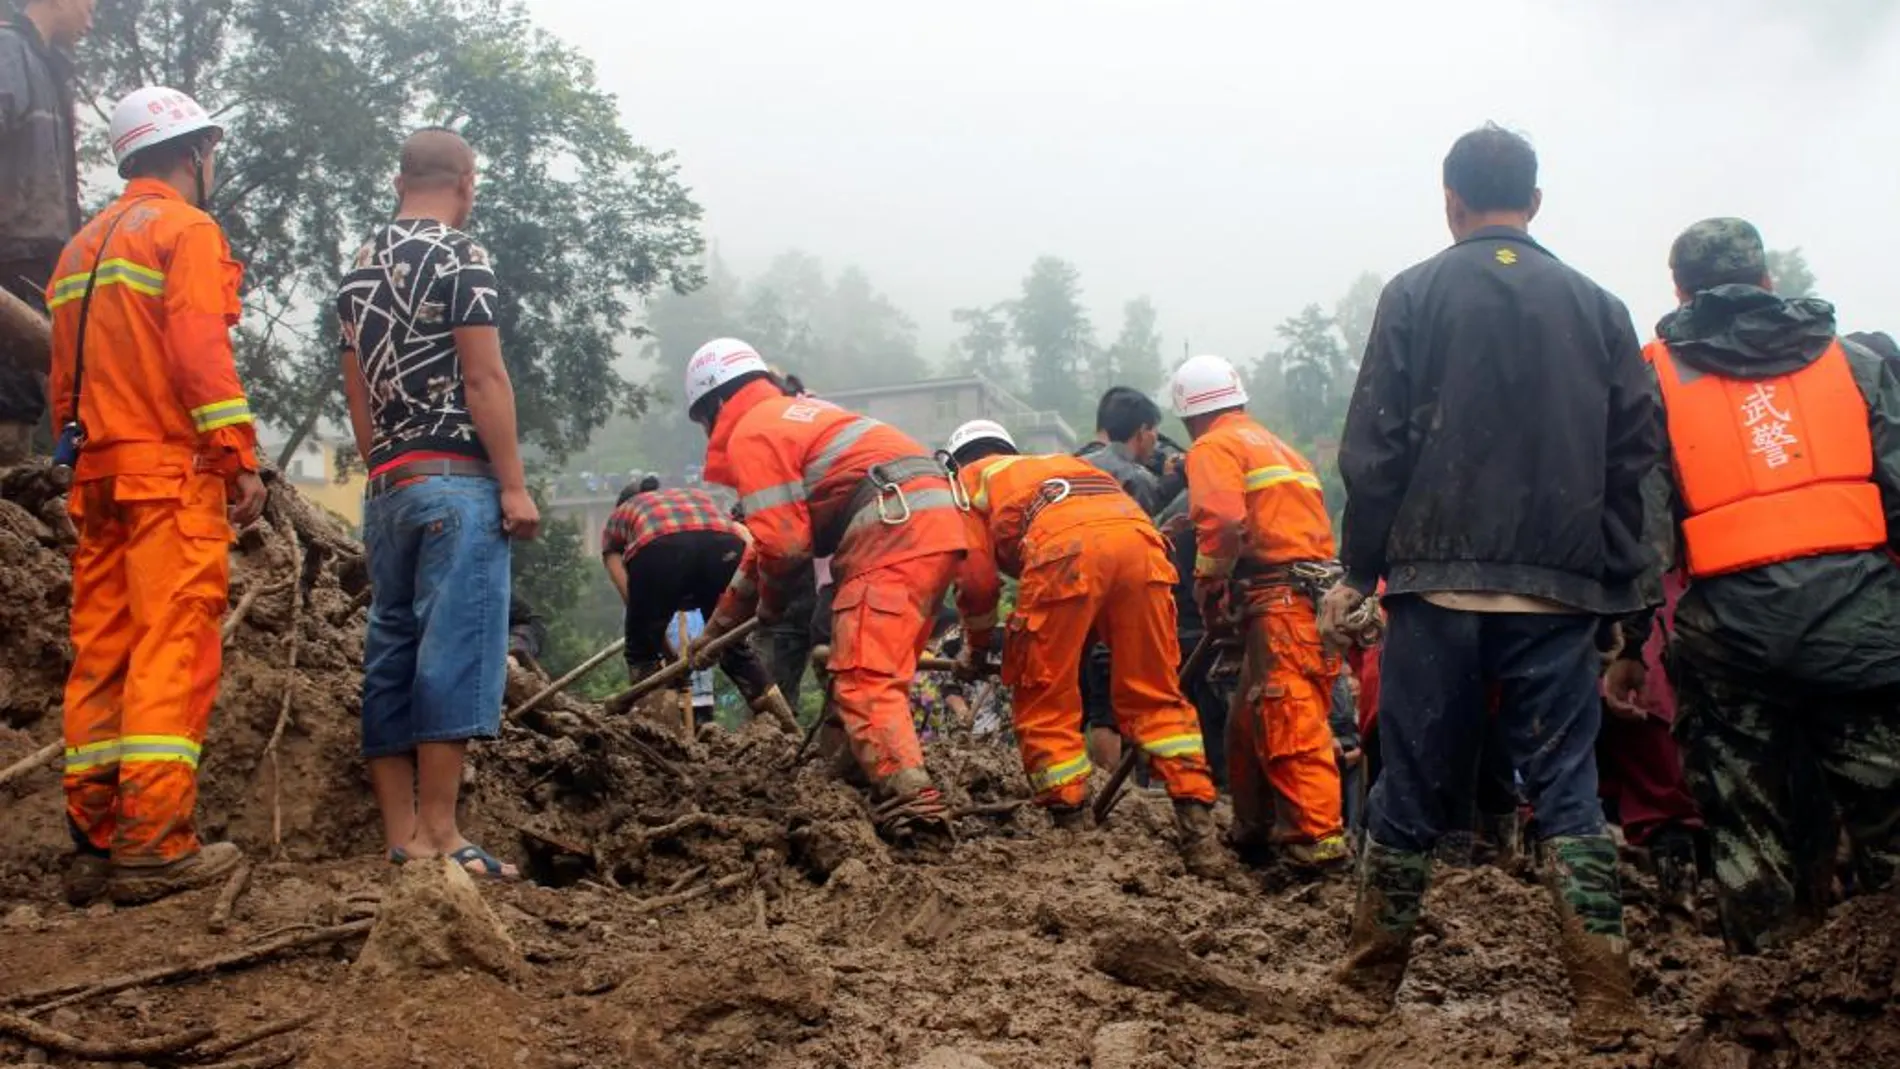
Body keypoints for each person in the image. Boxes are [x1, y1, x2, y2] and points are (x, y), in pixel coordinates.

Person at [1327, 123, 1657, 1046]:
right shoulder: (1598, 306)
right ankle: (1605, 995)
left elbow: (1376, 449)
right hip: (1559, 592)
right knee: (1566, 786)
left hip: (1434, 587)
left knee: (1409, 786)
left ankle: (1364, 984)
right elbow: (1634, 456)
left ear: (1450, 200)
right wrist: (1620, 596)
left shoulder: (1416, 293)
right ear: (1537, 202)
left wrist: (1362, 570)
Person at [1631, 217, 1900, 954]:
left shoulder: (1653, 375)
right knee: (1890, 819)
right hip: (1866, 628)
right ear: (1769, 282)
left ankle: (1766, 1004)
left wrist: (1626, 642)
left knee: (1748, 832)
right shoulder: (1860, 360)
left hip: (1733, 645)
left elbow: (1645, 534)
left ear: (1681, 292)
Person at [50, 86, 262, 906]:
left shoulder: (80, 247)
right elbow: (200, 349)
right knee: (173, 642)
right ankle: (155, 840)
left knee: (102, 648)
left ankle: (94, 841)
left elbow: (64, 379)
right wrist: (236, 453)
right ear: (193, 153)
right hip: (167, 475)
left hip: (97, 474)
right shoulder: (187, 229)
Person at [337, 127, 537, 880]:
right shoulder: (462, 256)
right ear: (467, 183)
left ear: (399, 181)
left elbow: (356, 391)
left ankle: (400, 837)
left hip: (390, 484)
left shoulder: (358, 268)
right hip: (455, 477)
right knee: (454, 646)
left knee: (390, 649)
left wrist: (384, 467)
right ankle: (442, 833)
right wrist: (512, 482)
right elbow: (484, 377)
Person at [686, 337, 966, 842]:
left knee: (863, 676)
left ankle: (916, 809)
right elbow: (762, 555)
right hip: (933, 524)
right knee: (854, 666)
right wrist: (716, 631)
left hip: (891, 528)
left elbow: (786, 549)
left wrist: (770, 607)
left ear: (716, 405)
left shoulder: (752, 431)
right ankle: (841, 784)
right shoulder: (800, 416)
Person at [944, 419, 1226, 876]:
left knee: (1044, 698)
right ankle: (1199, 835)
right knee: (1156, 696)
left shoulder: (967, 485)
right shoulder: (1059, 465)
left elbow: (976, 584)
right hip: (1144, 546)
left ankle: (1074, 832)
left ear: (956, 461)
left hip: (1064, 551)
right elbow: (1105, 547)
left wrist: (975, 651)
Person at [1169, 354, 1350, 871]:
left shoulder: (1212, 446)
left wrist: (1210, 583)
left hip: (1279, 599)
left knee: (1288, 714)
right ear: (1240, 399)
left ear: (1186, 414)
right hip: (1309, 595)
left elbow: (1225, 521)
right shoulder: (1282, 450)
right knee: (1249, 721)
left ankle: (1317, 842)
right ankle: (1254, 828)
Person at [598, 475, 795, 730]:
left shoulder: (618, 519)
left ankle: (659, 736)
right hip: (724, 543)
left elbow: (636, 605)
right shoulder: (695, 497)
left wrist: (662, 655)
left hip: (659, 548)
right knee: (733, 648)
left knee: (642, 654)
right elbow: (745, 540)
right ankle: (785, 726)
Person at [0, 0, 88, 463]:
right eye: (91, 3)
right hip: (9, 257)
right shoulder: (8, 52)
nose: (92, 16)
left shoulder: (47, 68)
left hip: (36, 259)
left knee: (24, 395)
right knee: (9, 399)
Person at [1073, 387, 1174, 775]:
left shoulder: (1071, 465)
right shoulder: (1136, 476)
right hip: (1115, 600)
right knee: (1108, 708)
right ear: (1143, 431)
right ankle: (1116, 793)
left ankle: (1078, 787)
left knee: (1071, 702)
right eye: (1154, 434)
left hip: (1068, 589)